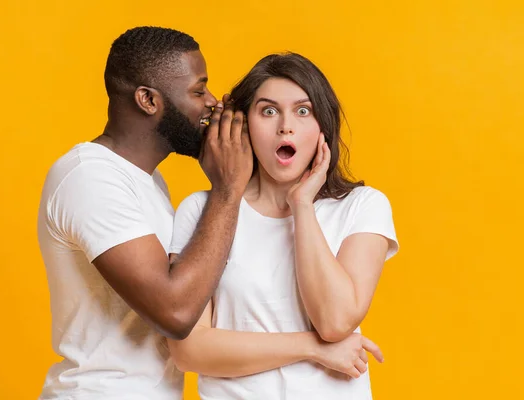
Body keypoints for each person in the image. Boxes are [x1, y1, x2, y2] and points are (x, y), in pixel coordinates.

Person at [36, 26, 253, 399]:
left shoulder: (147, 183)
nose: (213, 103)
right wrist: (228, 189)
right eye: (198, 91)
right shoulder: (90, 177)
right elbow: (176, 312)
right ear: (148, 100)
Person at [168, 52, 399, 399]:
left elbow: (335, 322)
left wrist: (302, 205)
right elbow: (189, 351)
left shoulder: (362, 207)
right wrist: (314, 348)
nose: (285, 126)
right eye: (269, 110)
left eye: (303, 111)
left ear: (323, 126)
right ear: (243, 123)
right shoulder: (202, 211)